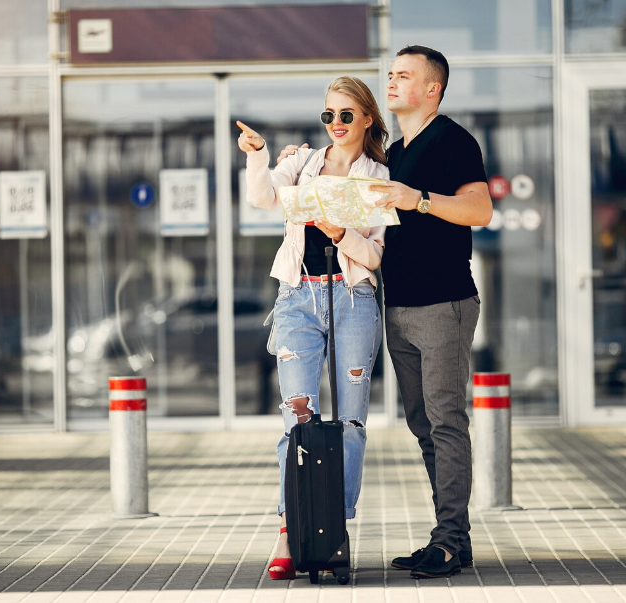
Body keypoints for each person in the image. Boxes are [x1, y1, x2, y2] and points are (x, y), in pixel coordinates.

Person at [236, 76, 389, 581]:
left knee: (350, 423)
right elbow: (261, 199)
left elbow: (375, 257)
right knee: (296, 418)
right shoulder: (301, 163)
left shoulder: (378, 176)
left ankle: (332, 532)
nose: (337, 125)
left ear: (367, 118)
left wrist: (343, 233)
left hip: (352, 299)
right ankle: (289, 529)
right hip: (297, 299)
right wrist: (258, 154)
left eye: (347, 115)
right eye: (329, 116)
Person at [371, 46, 493, 579]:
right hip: (397, 306)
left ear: (432, 89)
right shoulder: (393, 151)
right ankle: (452, 539)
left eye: (404, 76)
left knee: (446, 423)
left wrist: (417, 198)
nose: (392, 82)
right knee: (423, 424)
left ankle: (448, 541)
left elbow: (480, 210)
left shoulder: (453, 140)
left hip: (443, 303)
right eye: (391, 74)